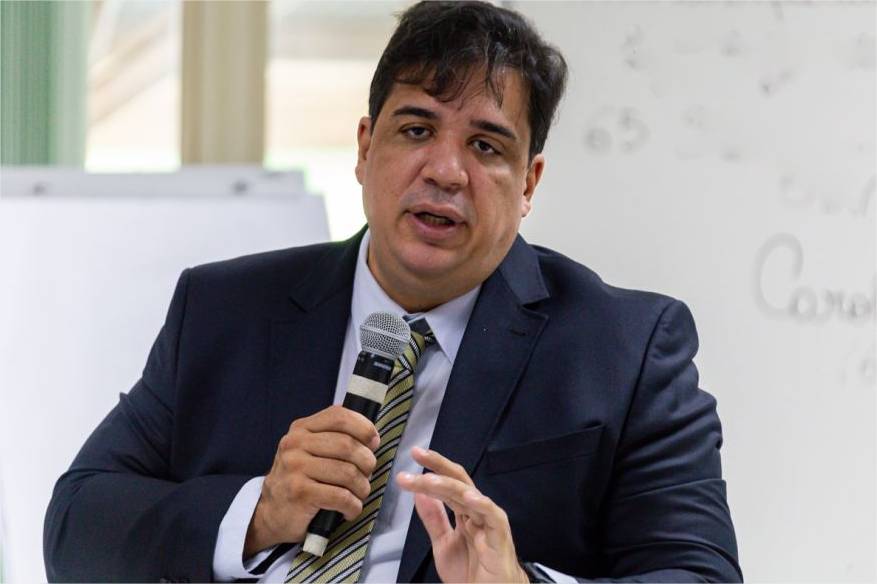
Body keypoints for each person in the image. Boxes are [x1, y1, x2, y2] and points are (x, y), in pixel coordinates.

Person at [44, 2, 742, 582]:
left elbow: (698, 573)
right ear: (363, 147)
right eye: (416, 130)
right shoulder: (224, 311)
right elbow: (77, 526)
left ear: (528, 184)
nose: (445, 171)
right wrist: (258, 513)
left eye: (486, 147)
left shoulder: (624, 349)